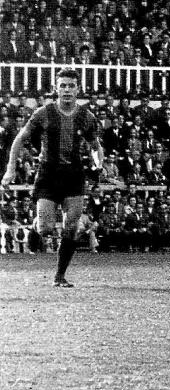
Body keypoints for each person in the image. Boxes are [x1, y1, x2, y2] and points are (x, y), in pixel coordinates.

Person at [1, 68, 102, 287]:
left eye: (71, 86)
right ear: (56, 88)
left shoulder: (86, 117)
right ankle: (37, 223)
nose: (67, 90)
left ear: (78, 89)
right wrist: (10, 170)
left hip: (74, 174)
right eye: (63, 85)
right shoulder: (43, 113)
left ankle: (60, 276)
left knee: (71, 226)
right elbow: (19, 140)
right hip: (48, 172)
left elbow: (95, 146)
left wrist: (98, 163)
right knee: (46, 228)